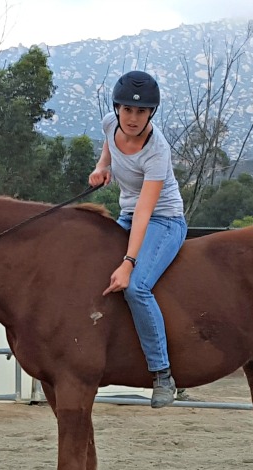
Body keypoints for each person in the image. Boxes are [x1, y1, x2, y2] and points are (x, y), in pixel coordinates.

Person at [88, 70, 187, 408]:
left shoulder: (157, 150)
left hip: (164, 218)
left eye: (141, 112)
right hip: (129, 215)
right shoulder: (109, 123)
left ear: (151, 114)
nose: (132, 118)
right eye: (127, 110)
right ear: (117, 109)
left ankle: (162, 374)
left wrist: (129, 264)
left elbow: (146, 211)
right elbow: (108, 145)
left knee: (135, 286)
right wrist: (103, 167)